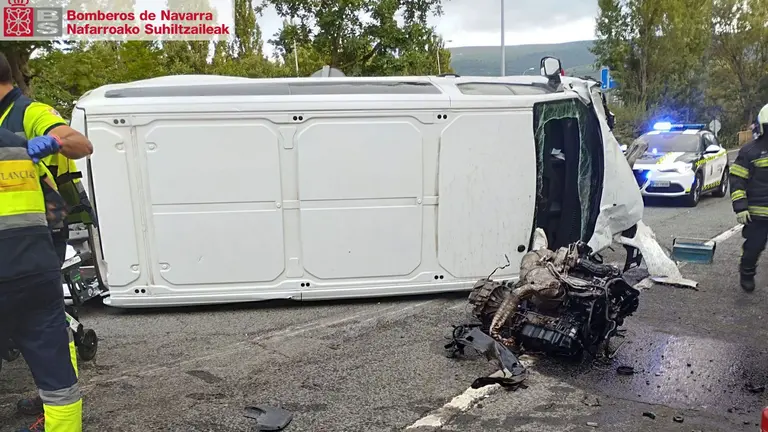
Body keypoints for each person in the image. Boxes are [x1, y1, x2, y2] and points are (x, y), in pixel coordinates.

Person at [0, 52, 91, 431]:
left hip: (37, 240)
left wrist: (50, 142)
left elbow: (79, 143)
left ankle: (49, 401)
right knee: (44, 328)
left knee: (48, 328)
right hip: (30, 247)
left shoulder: (28, 111)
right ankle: (53, 400)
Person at [729, 103, 768, 292]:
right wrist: (741, 207)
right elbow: (737, 181)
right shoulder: (750, 151)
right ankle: (747, 273)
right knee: (753, 248)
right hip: (757, 215)